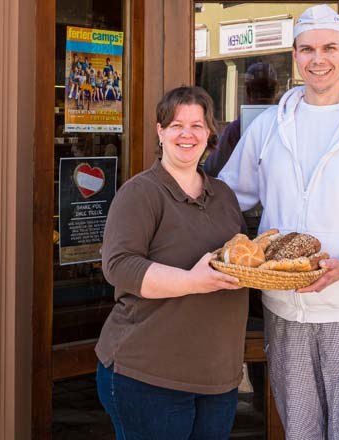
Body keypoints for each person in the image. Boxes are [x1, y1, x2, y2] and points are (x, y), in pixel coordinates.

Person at [217, 4, 339, 439]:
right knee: (301, 434)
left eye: (329, 47)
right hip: (286, 313)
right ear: (295, 56)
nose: (318, 58)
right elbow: (229, 195)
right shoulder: (269, 126)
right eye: (307, 49)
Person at [96, 86, 249, 439]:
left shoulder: (223, 194)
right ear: (160, 131)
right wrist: (193, 281)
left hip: (218, 378)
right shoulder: (141, 193)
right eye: (177, 124)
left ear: (211, 133)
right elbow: (118, 265)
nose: (187, 134)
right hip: (149, 375)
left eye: (197, 125)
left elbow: (240, 260)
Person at [202, 62, 278, 178]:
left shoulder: (235, 130)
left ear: (247, 91)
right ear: (276, 90)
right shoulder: (288, 123)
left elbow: (212, 169)